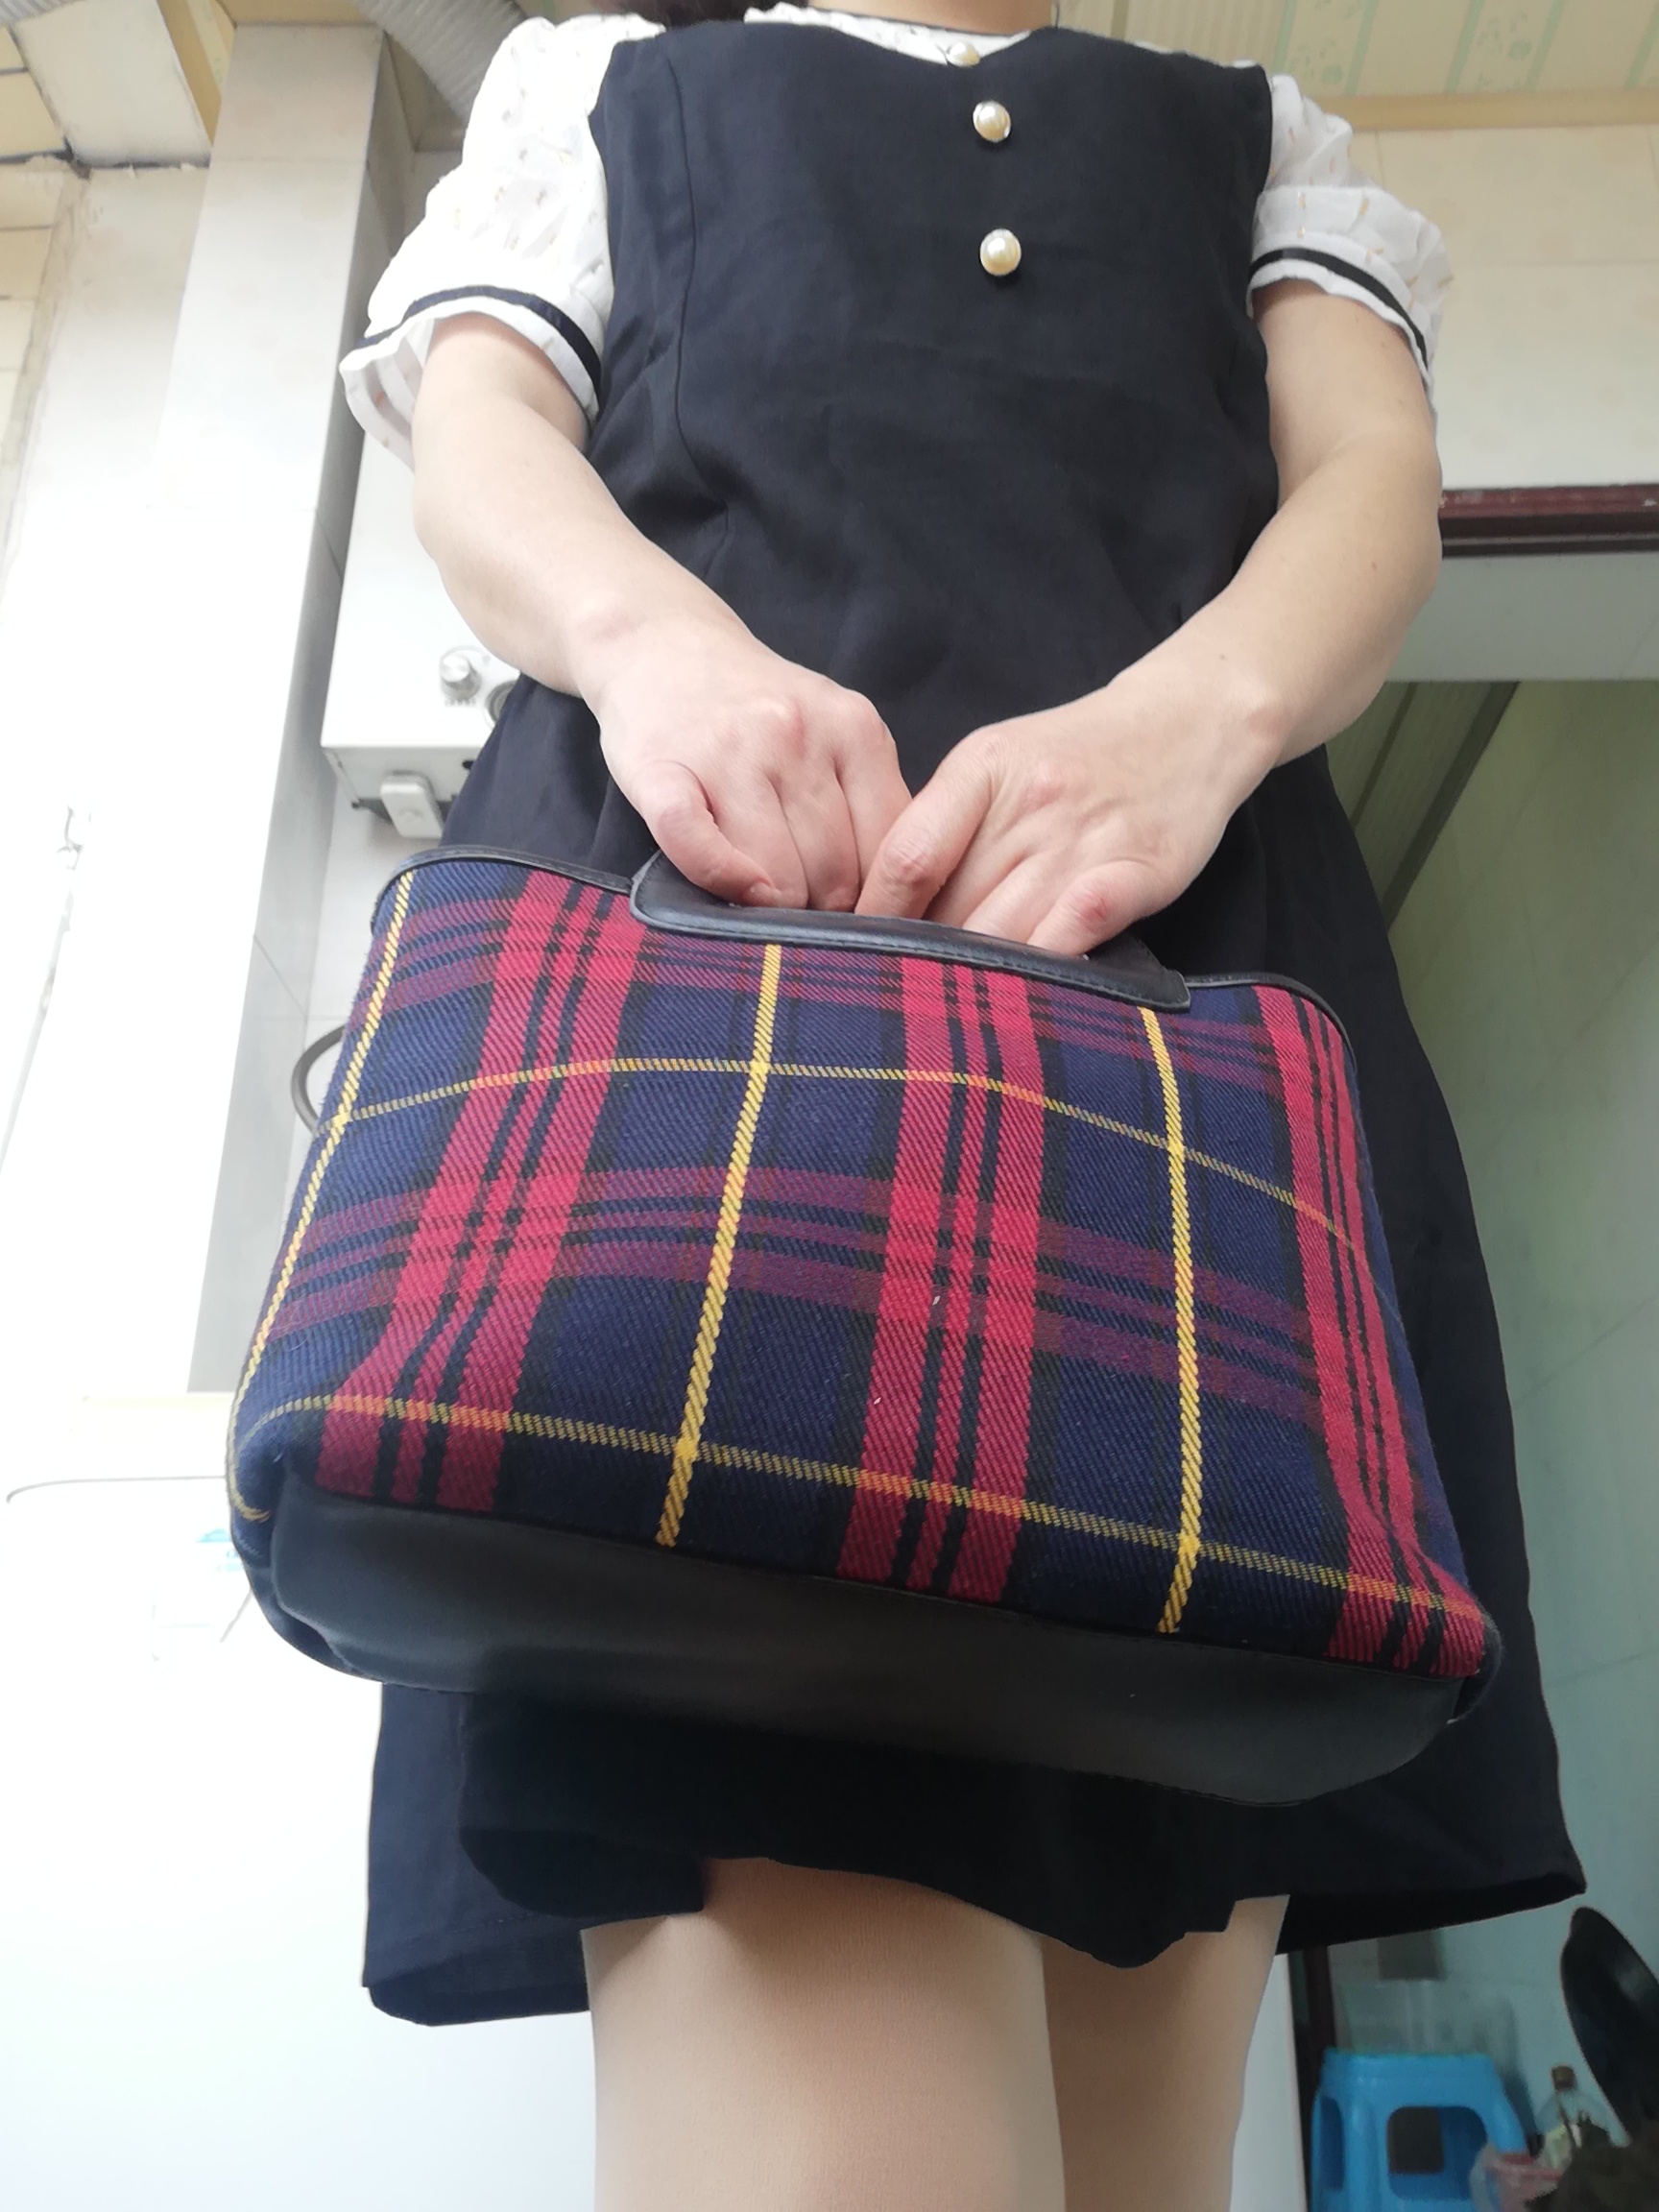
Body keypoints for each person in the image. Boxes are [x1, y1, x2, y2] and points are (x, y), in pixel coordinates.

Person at [339, 3, 1582, 2204]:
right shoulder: (601, 79)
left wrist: (1195, 724)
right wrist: (650, 646)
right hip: (743, 1084)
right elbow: (481, 425)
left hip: (1194, 1085)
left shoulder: (1260, 139)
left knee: (1144, 2116)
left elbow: (1371, 487)